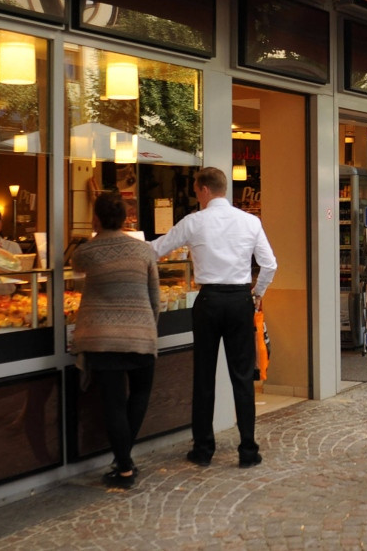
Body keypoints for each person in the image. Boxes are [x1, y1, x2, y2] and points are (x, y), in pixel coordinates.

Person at [149, 167, 277, 469]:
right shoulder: (249, 221)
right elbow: (269, 264)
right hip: (239, 300)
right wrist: (257, 292)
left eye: (196, 189)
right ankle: (248, 449)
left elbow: (156, 250)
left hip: (208, 301)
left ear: (204, 189)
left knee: (204, 376)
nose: (195, 194)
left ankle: (203, 448)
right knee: (243, 377)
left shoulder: (194, 222)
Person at [71, 192, 160, 489]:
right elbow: (155, 299)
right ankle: (124, 461)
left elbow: (71, 266)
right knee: (139, 395)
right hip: (141, 334)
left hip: (102, 338)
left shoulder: (88, 251)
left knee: (113, 404)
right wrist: (147, 328)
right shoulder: (145, 251)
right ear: (124, 219)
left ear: (95, 218)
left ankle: (124, 467)